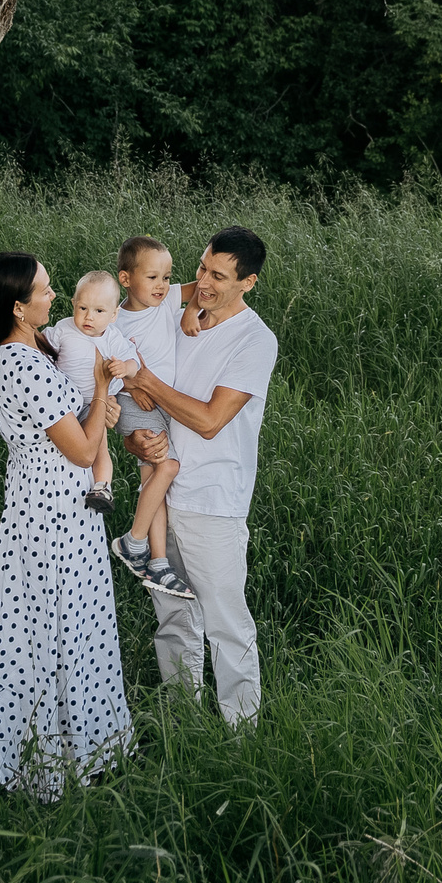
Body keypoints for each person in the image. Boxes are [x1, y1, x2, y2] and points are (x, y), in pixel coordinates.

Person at [0, 251, 130, 798]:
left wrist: (98, 414)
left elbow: (77, 429)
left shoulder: (28, 344)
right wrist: (102, 393)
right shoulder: (24, 365)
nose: (54, 295)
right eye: (44, 290)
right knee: (53, 626)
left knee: (66, 619)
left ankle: (85, 737)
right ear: (18, 307)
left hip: (57, 502)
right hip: (52, 510)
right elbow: (81, 452)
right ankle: (49, 752)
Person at [120, 226, 278, 724]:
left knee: (225, 623)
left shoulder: (255, 341)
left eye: (219, 276)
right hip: (160, 492)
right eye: (202, 268)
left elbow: (210, 421)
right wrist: (133, 440)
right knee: (173, 616)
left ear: (248, 283)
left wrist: (146, 380)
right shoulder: (172, 311)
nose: (204, 282)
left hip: (212, 498)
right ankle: (182, 719)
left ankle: (241, 728)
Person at [105, 238, 196, 601]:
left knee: (153, 481)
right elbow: (104, 363)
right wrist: (130, 383)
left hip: (159, 404)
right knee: (168, 466)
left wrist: (189, 310)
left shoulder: (169, 299)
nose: (162, 285)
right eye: (152, 277)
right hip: (135, 404)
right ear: (125, 279)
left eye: (167, 277)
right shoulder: (114, 319)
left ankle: (158, 563)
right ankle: (133, 542)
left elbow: (200, 289)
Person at [44, 269, 142, 519]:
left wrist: (125, 368)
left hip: (95, 404)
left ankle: (102, 486)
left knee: (100, 447)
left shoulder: (112, 338)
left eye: (99, 311)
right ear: (73, 304)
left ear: (113, 315)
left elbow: (134, 361)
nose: (89, 317)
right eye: (83, 308)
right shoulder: (63, 329)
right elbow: (43, 349)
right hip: (64, 403)